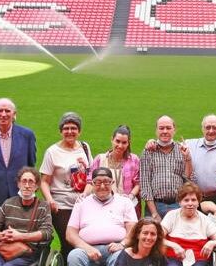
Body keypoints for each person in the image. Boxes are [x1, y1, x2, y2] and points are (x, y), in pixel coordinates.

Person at [41, 111, 93, 262]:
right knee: (69, 242)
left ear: (79, 130)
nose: (70, 132)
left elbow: (90, 175)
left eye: (73, 128)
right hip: (61, 206)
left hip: (82, 205)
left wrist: (85, 193)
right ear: (60, 131)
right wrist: (50, 200)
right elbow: (44, 181)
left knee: (83, 241)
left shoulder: (84, 147)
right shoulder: (52, 152)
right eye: (66, 128)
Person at [66, 167, 138, 266]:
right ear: (92, 184)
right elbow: (70, 234)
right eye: (98, 182)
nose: (102, 186)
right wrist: (86, 248)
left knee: (121, 256)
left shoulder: (125, 202)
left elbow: (133, 230)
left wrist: (122, 244)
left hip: (116, 249)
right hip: (86, 249)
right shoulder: (81, 203)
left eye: (106, 182)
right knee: (74, 256)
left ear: (112, 183)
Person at [0, 167, 53, 266]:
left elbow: (47, 233)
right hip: (5, 250)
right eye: (24, 181)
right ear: (18, 184)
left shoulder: (43, 207)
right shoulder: (8, 203)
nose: (27, 185)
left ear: (36, 186)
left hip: (27, 254)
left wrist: (19, 236)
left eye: (31, 182)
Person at [140, 115, 193, 218]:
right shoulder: (148, 151)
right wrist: (154, 214)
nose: (165, 131)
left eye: (168, 128)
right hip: (155, 205)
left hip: (178, 205)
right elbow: (145, 184)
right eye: (161, 128)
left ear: (174, 130)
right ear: (156, 130)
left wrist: (187, 158)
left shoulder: (182, 149)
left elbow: (188, 178)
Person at [161, 183, 216, 266]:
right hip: (175, 258)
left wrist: (211, 243)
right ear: (180, 202)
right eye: (186, 200)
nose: (190, 203)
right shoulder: (171, 216)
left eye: (193, 200)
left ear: (198, 202)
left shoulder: (205, 220)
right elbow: (158, 237)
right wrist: (174, 245)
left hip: (199, 259)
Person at [86, 125, 141, 215]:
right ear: (112, 139)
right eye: (117, 141)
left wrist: (130, 197)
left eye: (124, 143)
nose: (120, 145)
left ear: (128, 143)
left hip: (126, 207)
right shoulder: (100, 159)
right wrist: (85, 194)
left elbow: (138, 183)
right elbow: (90, 181)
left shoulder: (134, 159)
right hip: (103, 205)